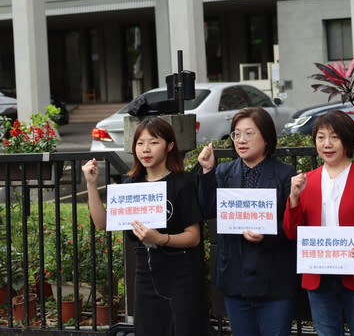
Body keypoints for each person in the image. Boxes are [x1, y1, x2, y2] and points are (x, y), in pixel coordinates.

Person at [82, 117, 207, 336]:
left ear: (169, 146)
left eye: (153, 142)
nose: (145, 149)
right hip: (146, 274)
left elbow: (193, 237)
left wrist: (161, 239)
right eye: (140, 143)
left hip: (182, 275)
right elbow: (102, 223)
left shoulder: (182, 183)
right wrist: (92, 184)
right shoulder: (131, 184)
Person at [283, 110, 354, 336]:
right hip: (319, 277)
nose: (326, 144)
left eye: (334, 137)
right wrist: (293, 198)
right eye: (320, 137)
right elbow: (291, 232)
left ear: (347, 140)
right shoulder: (305, 181)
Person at [197, 107, 298, 336]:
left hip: (274, 280)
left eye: (249, 133)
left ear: (266, 137)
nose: (241, 140)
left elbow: (293, 225)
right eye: (236, 134)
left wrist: (268, 233)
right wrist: (206, 171)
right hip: (236, 277)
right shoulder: (223, 172)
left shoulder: (285, 173)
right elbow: (207, 209)